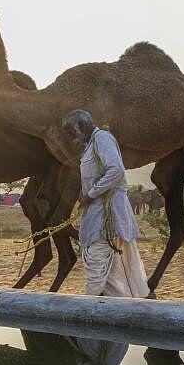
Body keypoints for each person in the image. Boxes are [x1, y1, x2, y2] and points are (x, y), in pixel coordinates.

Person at [62, 109, 151, 298]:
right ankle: (119, 308)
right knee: (110, 272)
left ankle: (89, 310)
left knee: (95, 271)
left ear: (82, 125)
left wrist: (90, 194)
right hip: (96, 218)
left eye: (70, 132)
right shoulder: (91, 146)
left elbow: (116, 170)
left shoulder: (102, 139)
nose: (70, 138)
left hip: (106, 221)